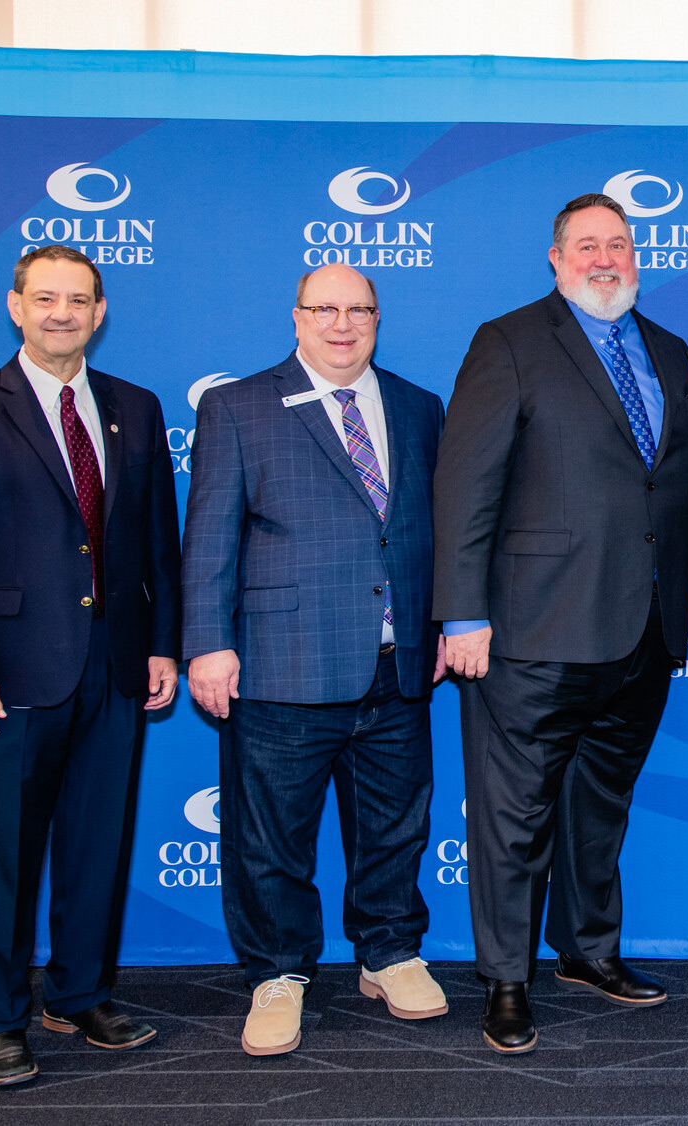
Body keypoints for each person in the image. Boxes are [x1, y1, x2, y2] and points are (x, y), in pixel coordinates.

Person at [432, 192, 688, 1055]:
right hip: (531, 629)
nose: (607, 259)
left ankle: (588, 952)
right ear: (556, 260)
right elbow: (466, 485)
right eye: (588, 246)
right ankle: (507, 979)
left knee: (600, 806)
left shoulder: (666, 349)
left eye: (621, 245)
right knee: (513, 813)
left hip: (643, 629)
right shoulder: (510, 341)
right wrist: (463, 613)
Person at [0, 244, 180, 1086]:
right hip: (12, 674)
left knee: (98, 844)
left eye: (79, 299)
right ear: (16, 306)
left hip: (116, 668)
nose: (63, 313)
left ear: (101, 313)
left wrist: (163, 642)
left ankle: (81, 994)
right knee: (5, 858)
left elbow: (159, 547)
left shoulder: (135, 408)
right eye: (46, 298)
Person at [182, 264, 448, 1057]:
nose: (343, 324)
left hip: (396, 664)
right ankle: (277, 973)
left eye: (359, 309)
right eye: (325, 309)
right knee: (272, 839)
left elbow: (430, 534)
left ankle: (390, 951)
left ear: (378, 317)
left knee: (396, 828)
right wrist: (206, 642)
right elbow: (208, 538)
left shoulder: (417, 407)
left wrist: (439, 627)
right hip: (280, 662)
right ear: (297, 317)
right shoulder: (236, 406)